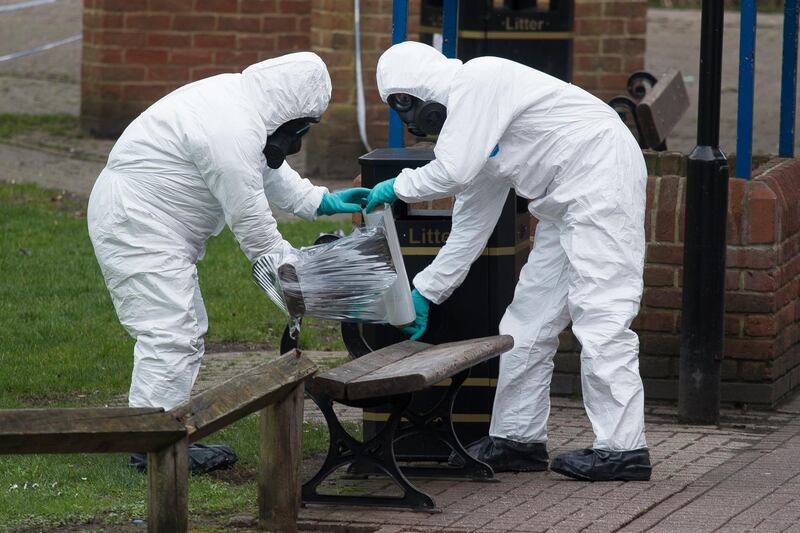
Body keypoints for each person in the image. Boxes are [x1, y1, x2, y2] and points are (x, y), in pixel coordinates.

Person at [365, 41, 651, 481]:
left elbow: (452, 171)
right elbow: (470, 224)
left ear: (426, 86)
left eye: (407, 102)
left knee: (602, 312)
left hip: (601, 178)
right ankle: (518, 439)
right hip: (562, 202)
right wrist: (427, 290)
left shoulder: (479, 78)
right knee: (526, 322)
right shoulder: (471, 135)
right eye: (396, 107)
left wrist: (395, 187)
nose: (406, 117)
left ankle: (623, 449)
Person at [87, 52, 368, 473]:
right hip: (136, 221)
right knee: (171, 331)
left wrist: (320, 200)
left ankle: (155, 430)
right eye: (299, 132)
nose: (296, 143)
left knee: (179, 328)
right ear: (285, 115)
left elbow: (267, 168)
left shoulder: (247, 108)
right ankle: (153, 443)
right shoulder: (231, 126)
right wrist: (297, 275)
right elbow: (251, 220)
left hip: (147, 221)